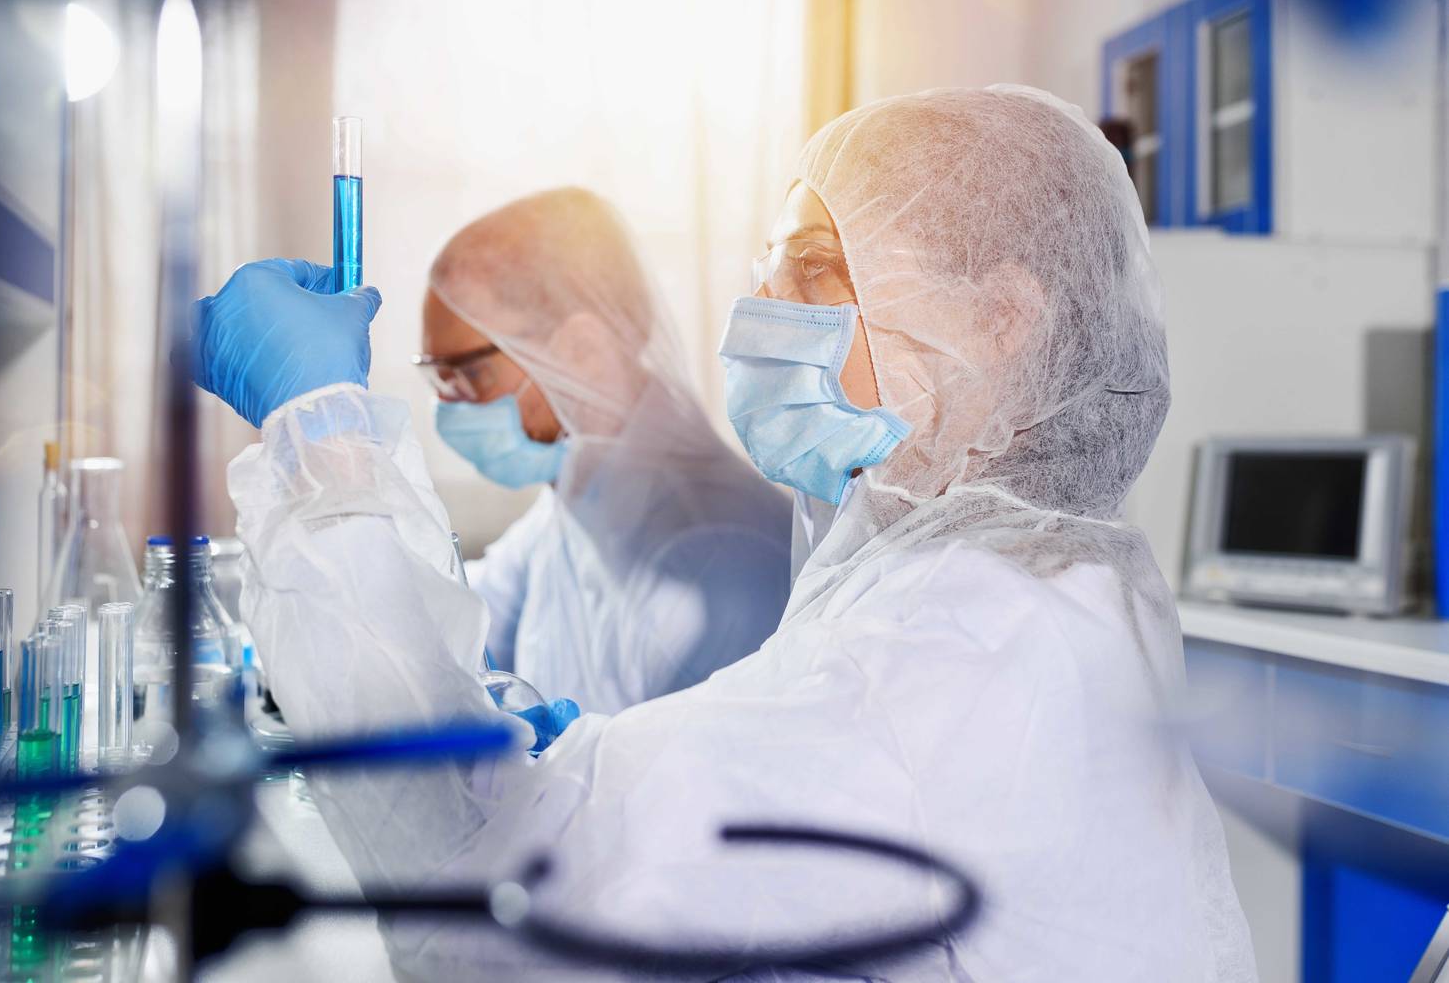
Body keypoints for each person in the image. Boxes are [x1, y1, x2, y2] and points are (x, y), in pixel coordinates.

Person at [193, 86, 1257, 980]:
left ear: (998, 320)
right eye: (764, 265)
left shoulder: (967, 646)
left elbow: (487, 884)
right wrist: (579, 755)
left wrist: (319, 436)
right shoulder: (1018, 584)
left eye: (810, 269)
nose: (758, 305)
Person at [415, 189, 792, 714]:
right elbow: (448, 635)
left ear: (582, 351)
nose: (446, 404)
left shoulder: (719, 560)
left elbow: (691, 790)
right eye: (437, 375)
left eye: (469, 373)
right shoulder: (580, 499)